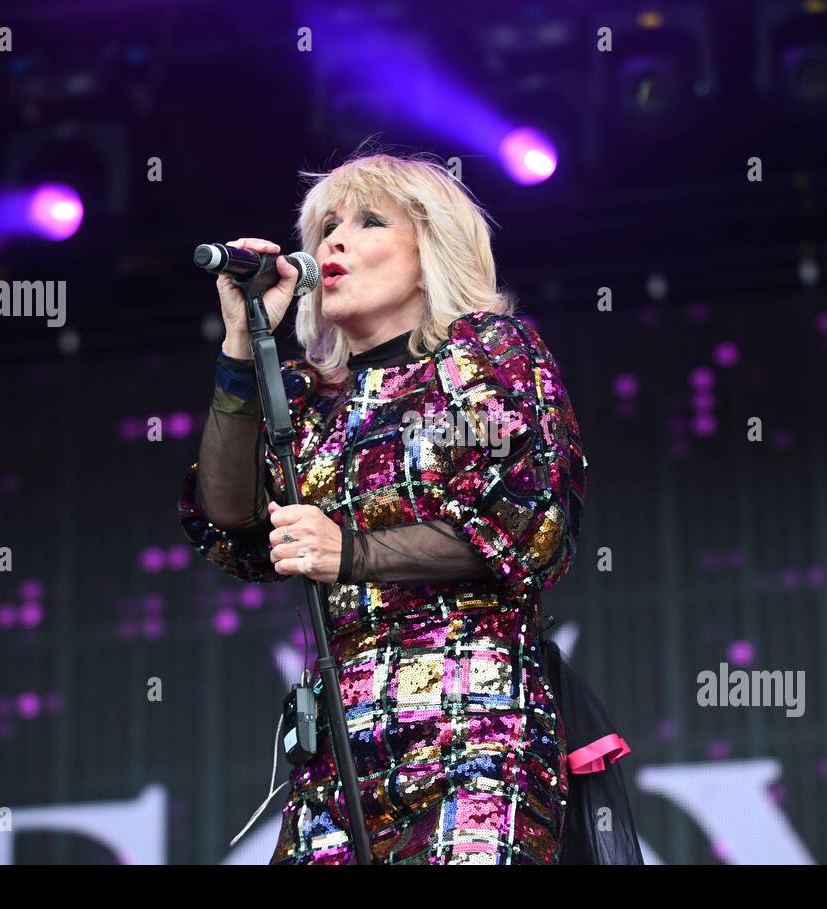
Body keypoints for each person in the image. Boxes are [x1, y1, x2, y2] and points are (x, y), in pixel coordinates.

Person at [178, 149, 635, 864]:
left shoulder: (483, 355)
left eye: (366, 222)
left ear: (431, 251)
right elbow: (228, 518)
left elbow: (530, 525)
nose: (333, 240)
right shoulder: (303, 397)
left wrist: (348, 551)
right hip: (339, 747)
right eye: (325, 226)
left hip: (474, 724)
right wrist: (243, 346)